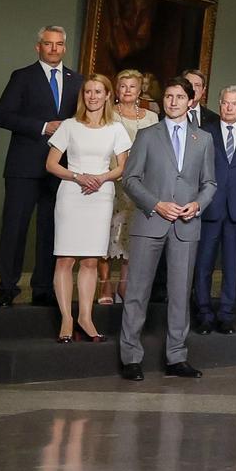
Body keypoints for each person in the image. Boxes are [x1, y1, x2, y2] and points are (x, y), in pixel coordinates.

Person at [116, 79, 215, 382]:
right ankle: (131, 357)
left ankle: (177, 357)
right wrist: (156, 204)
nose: (173, 101)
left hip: (186, 225)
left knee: (180, 294)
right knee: (137, 292)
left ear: (191, 100)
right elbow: (130, 179)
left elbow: (210, 183)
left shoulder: (204, 139)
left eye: (180, 96)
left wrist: (197, 205)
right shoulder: (147, 135)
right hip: (150, 222)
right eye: (169, 96)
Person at [0, 26, 78, 308]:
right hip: (24, 165)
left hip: (61, 167)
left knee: (51, 229)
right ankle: (7, 288)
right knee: (15, 229)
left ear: (65, 47)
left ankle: (44, 289)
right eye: (48, 44)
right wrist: (43, 127)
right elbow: (2, 115)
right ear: (38, 47)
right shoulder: (22, 77)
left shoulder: (77, 80)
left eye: (59, 44)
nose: (54, 49)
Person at [45, 74, 130, 342]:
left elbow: (122, 167)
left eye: (98, 92)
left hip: (101, 196)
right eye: (88, 92)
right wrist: (77, 176)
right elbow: (52, 164)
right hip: (72, 193)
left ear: (107, 95)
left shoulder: (116, 129)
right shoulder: (69, 126)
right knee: (65, 259)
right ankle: (66, 320)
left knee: (91, 260)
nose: (92, 96)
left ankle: (85, 317)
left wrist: (102, 178)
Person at [194, 85, 236, 335]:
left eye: (234, 103)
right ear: (220, 104)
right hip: (208, 208)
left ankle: (226, 315)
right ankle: (203, 313)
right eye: (225, 102)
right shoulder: (204, 131)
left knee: (233, 266)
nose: (229, 107)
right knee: (204, 264)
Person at [103, 69, 158, 307]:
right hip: (109, 180)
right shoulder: (107, 114)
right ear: (117, 89)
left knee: (129, 235)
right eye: (123, 86)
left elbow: (155, 152)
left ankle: (124, 284)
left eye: (132, 86)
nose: (127, 90)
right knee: (105, 232)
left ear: (139, 90)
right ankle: (104, 283)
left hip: (138, 185)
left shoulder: (151, 117)